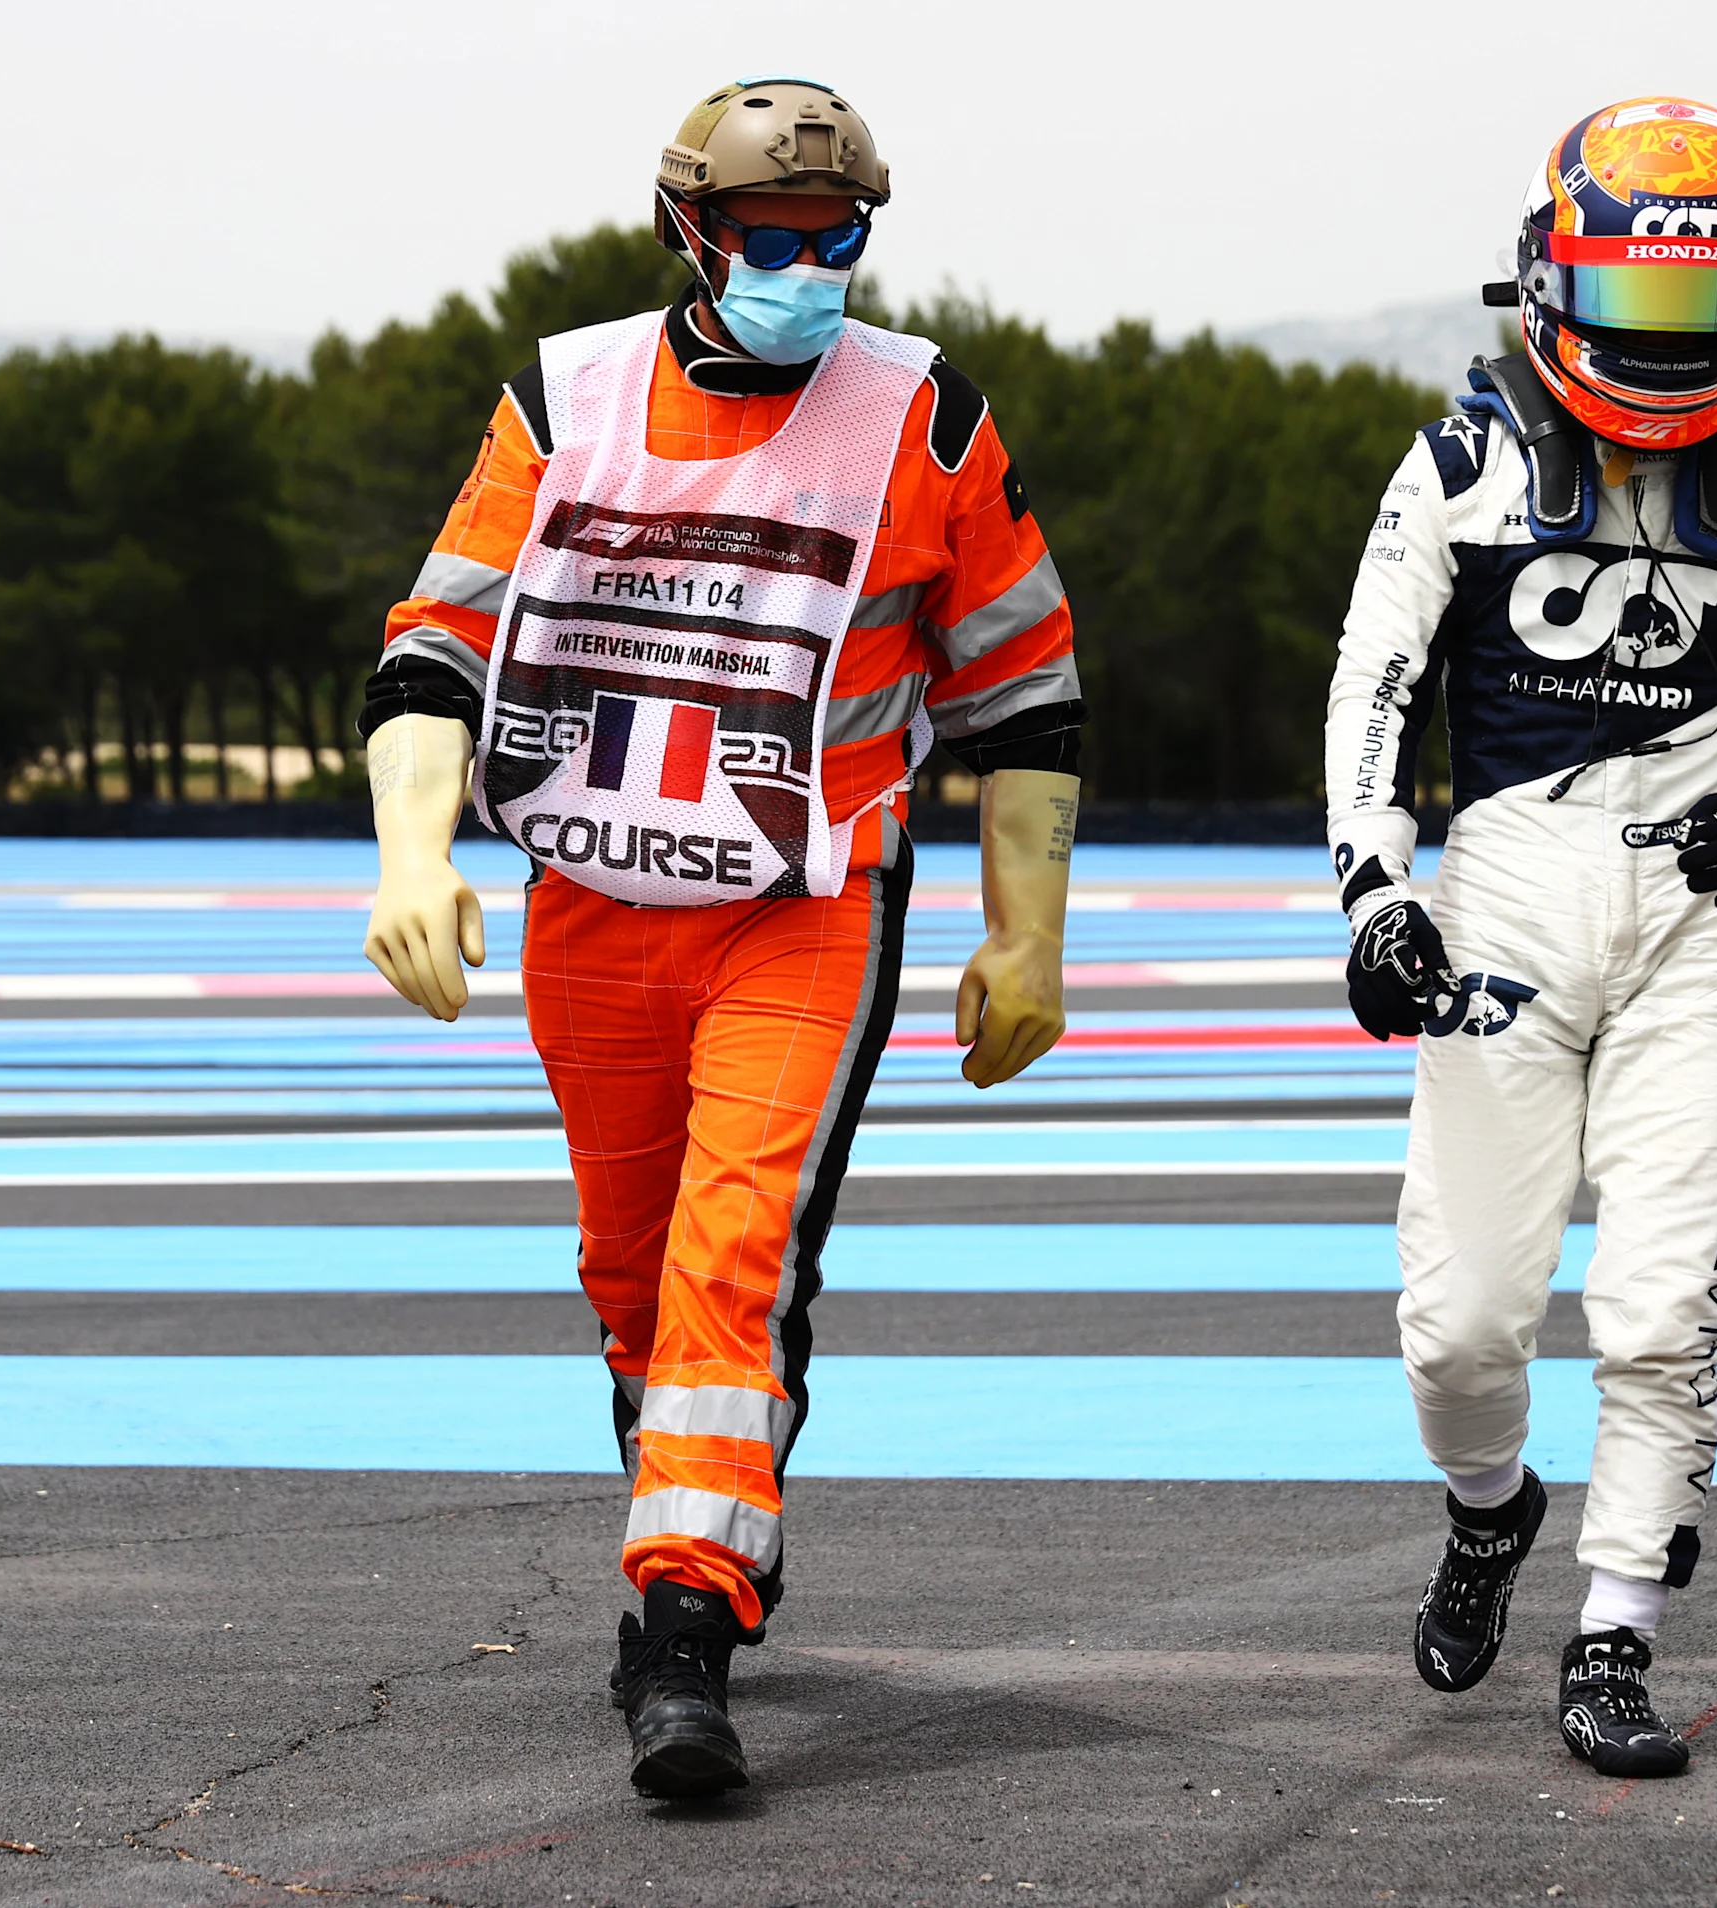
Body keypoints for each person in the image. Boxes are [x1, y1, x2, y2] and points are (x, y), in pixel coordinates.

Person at [359, 75, 1085, 1798]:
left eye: (841, 238)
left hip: (807, 903)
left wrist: (1027, 935)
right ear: (692, 229)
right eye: (775, 238)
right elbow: (430, 648)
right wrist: (409, 852)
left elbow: (1028, 698)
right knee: (631, 1273)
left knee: (733, 1259)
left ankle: (685, 1634)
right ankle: (697, 1510)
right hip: (590, 904)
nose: (812, 266)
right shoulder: (566, 397)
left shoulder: (927, 422)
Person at [1320, 97, 1717, 1778]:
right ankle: (1491, 1513)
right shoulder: (1453, 468)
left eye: (1701, 315)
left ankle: (1616, 1635)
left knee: (1659, 1317)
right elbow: (1370, 694)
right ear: (1545, 282)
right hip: (1504, 896)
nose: (1665, 354)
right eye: (1635, 310)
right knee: (1462, 1330)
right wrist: (1377, 897)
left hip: (1700, 921)